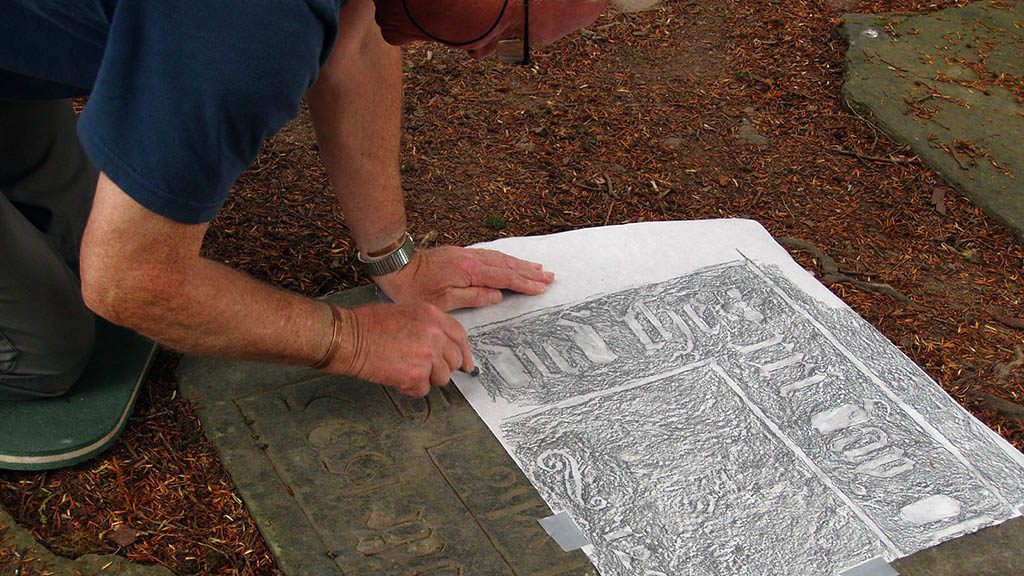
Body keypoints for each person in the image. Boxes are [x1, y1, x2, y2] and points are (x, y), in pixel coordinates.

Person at [0, 0, 610, 401]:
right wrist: (353, 340)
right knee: (46, 352)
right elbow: (127, 280)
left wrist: (398, 261)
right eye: (504, 31)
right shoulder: (247, 26)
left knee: (73, 242)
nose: (487, 55)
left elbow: (359, 36)